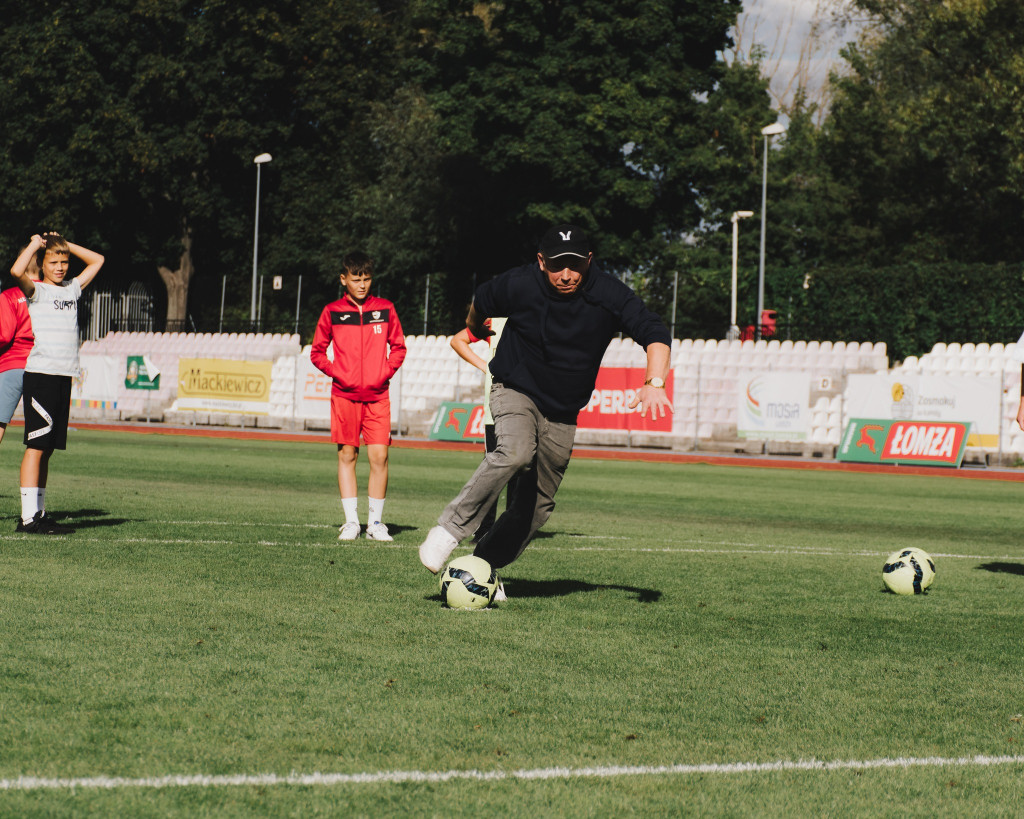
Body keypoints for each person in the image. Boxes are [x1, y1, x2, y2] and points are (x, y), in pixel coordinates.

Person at [419, 224, 673, 597]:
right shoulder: (518, 284)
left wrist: (654, 382)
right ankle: (448, 530)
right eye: (557, 265)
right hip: (515, 389)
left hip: (563, 412)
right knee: (515, 452)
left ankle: (483, 566)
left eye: (574, 265)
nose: (566, 275)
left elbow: (654, 331)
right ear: (541, 261)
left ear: (588, 261)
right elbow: (480, 304)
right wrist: (475, 327)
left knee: (535, 510)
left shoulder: (607, 293)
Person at [10, 232, 105, 534]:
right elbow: (15, 271)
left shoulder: (72, 289)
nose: (61, 267)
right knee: (36, 445)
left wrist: (64, 243)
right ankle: (28, 519)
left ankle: (39, 511)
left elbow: (98, 260)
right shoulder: (37, 291)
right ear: (43, 264)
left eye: (64, 262)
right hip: (41, 376)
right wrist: (38, 245)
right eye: (54, 262)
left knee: (48, 448)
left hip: (63, 376)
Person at [311, 251, 407, 541]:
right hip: (344, 396)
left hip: (378, 396)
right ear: (344, 279)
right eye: (356, 279)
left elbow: (399, 348)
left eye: (366, 279)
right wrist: (340, 373)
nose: (362, 285)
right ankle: (351, 522)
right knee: (348, 455)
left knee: (380, 456)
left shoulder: (386, 309)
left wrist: (383, 372)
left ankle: (375, 524)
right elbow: (317, 352)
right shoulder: (332, 311)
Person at [449, 315, 517, 541]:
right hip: (496, 408)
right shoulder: (494, 321)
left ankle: (512, 530)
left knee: (522, 469)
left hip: (527, 406)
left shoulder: (537, 314)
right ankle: (485, 529)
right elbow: (458, 340)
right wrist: (485, 366)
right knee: (494, 469)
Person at [0, 251, 38, 447]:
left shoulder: (9, 295)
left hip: (12, 364)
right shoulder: (49, 294)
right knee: (39, 431)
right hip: (40, 365)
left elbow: (4, 335)